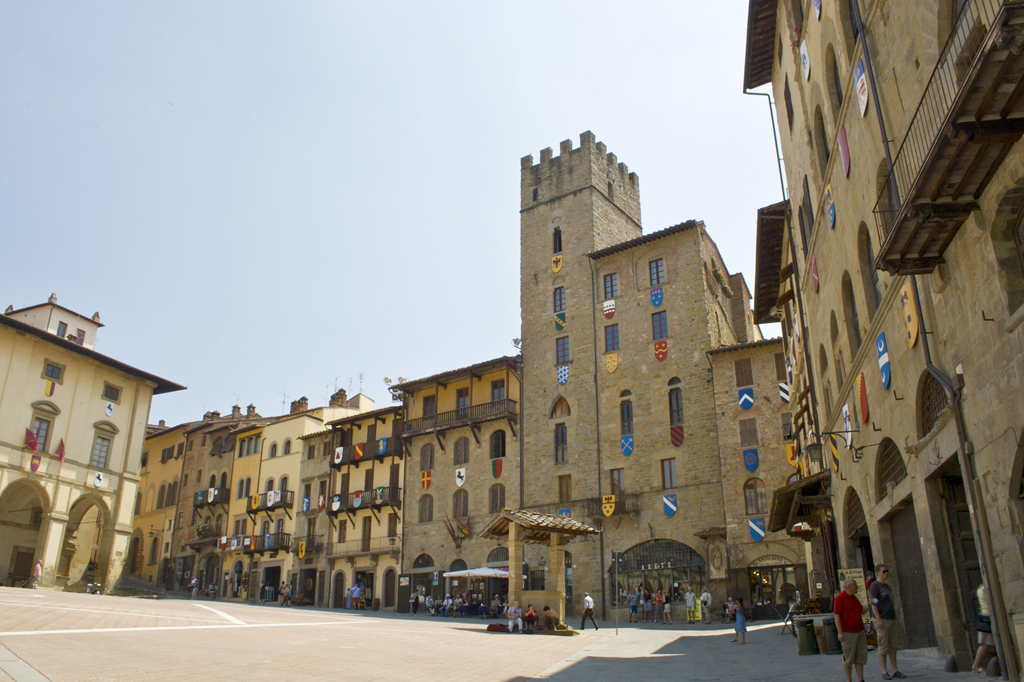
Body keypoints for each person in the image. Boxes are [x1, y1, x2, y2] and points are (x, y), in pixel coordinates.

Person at [868, 564, 905, 679]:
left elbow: (892, 604)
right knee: (883, 646)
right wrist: (878, 619)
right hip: (882, 619)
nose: (886, 573)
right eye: (884, 571)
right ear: (878, 572)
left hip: (891, 618)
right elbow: (873, 603)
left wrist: (896, 620)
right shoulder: (875, 586)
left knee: (893, 646)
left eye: (887, 571)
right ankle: (884, 670)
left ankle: (895, 669)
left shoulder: (888, 587)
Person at [834, 578, 870, 682]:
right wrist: (840, 632)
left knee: (860, 657)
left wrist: (869, 606)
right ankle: (849, 680)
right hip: (848, 633)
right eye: (855, 585)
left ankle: (860, 679)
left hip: (859, 631)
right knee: (849, 658)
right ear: (849, 587)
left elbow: (861, 611)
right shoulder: (840, 598)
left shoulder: (854, 598)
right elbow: (837, 615)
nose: (857, 587)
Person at [972, 583, 994, 674]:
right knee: (984, 643)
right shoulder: (985, 589)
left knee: (985, 643)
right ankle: (976, 665)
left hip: (984, 615)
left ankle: (976, 665)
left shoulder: (980, 588)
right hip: (987, 616)